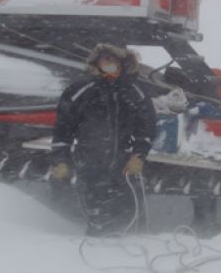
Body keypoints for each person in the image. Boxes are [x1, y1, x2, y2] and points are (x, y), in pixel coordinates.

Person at [51, 43, 156, 237]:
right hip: (89, 161)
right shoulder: (80, 89)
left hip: (122, 163)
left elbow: (147, 128)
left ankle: (127, 247)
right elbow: (62, 130)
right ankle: (97, 248)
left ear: (122, 62)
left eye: (113, 59)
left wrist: (139, 156)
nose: (109, 63)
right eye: (104, 59)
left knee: (126, 212)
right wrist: (61, 161)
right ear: (96, 62)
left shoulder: (135, 90)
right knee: (97, 213)